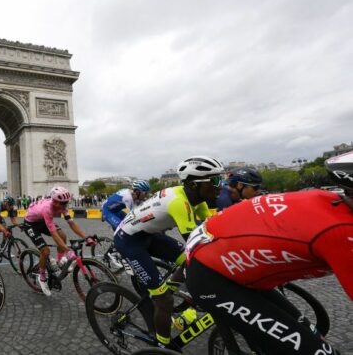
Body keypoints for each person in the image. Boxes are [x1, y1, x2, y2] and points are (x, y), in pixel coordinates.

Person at [185, 151, 353, 355]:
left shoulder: (328, 198)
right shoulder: (341, 232)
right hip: (212, 274)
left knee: (312, 336)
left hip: (227, 260)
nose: (257, 191)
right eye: (253, 188)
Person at [113, 155, 224, 350]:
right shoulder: (179, 203)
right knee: (165, 299)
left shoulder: (198, 198)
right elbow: (196, 245)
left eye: (221, 179)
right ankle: (162, 348)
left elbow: (214, 229)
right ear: (193, 184)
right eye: (215, 181)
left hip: (148, 234)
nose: (220, 186)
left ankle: (169, 288)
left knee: (188, 262)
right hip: (129, 241)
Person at [23, 186, 93, 296]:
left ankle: (59, 262)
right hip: (30, 224)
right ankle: (42, 277)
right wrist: (67, 250)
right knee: (45, 251)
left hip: (41, 220)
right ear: (54, 201)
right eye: (62, 203)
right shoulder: (48, 208)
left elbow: (71, 224)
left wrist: (86, 237)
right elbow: (54, 234)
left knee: (63, 235)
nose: (64, 206)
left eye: (65, 203)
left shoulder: (62, 205)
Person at [101, 180, 151, 269]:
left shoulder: (134, 195)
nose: (146, 195)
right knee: (122, 230)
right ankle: (110, 254)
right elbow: (133, 216)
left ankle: (122, 249)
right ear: (137, 191)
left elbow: (143, 208)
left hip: (117, 211)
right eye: (145, 193)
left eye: (147, 192)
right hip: (108, 212)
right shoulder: (128, 198)